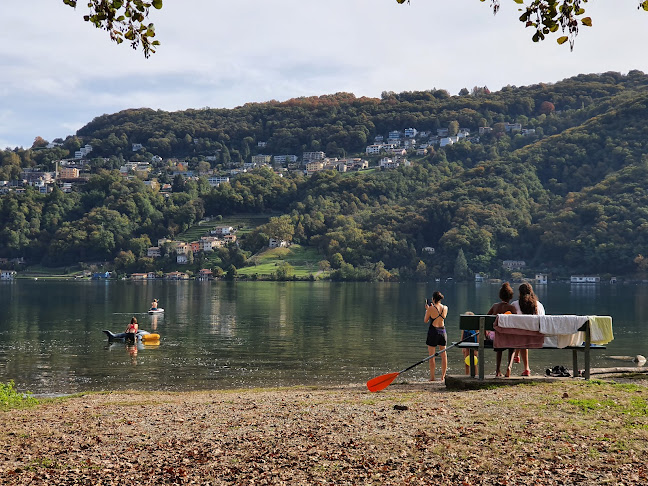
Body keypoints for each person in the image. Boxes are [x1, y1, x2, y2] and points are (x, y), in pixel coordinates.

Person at [511, 282, 545, 376]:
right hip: (537, 335)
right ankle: (521, 361)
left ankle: (526, 367)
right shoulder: (538, 305)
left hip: (521, 336)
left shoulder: (514, 304)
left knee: (521, 334)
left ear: (519, 293)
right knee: (524, 333)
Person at [487, 282, 518, 377]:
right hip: (507, 337)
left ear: (500, 296)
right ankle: (509, 366)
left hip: (495, 337)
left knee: (499, 345)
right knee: (512, 346)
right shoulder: (512, 308)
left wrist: (486, 334)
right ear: (510, 297)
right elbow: (516, 322)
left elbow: (486, 318)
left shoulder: (495, 306)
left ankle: (497, 370)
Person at [424, 291, 448, 381]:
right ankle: (443, 376)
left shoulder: (430, 308)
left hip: (433, 331)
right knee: (444, 355)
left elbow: (426, 320)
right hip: (442, 331)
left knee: (431, 356)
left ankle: (432, 377)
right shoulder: (445, 308)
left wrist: (427, 310)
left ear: (433, 299)